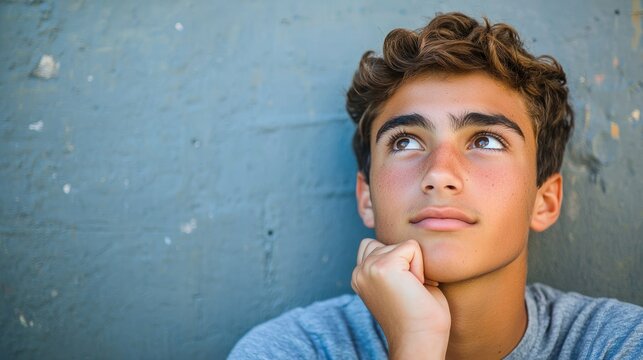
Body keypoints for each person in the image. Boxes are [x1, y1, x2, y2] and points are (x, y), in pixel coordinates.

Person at [228, 12, 643, 359]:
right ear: (366, 197)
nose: (439, 173)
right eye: (406, 141)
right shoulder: (290, 351)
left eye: (486, 140)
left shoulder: (620, 344)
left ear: (544, 200)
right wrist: (417, 343)